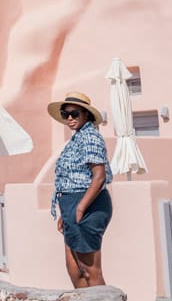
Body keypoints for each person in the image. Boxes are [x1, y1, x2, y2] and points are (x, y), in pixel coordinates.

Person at [48, 91, 113, 288]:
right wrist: (66, 213)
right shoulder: (77, 138)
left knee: (90, 270)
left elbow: (99, 176)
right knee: (74, 270)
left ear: (86, 115)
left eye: (75, 114)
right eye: (65, 113)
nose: (69, 118)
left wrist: (79, 209)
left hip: (88, 204)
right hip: (73, 206)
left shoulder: (90, 136)